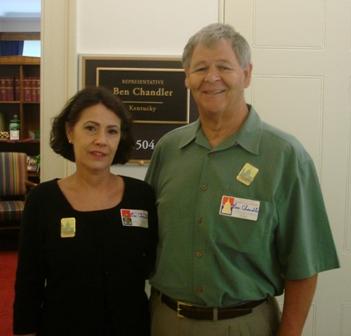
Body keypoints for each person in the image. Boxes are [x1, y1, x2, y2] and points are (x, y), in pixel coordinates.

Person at [145, 23, 339, 336]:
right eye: (200, 68)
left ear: (246, 74)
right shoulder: (168, 149)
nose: (211, 78)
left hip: (245, 325)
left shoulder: (286, 156)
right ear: (187, 77)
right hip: (166, 322)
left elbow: (304, 264)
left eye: (224, 67)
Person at [13, 86, 158, 336]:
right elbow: (29, 281)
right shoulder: (42, 200)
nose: (101, 140)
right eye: (90, 128)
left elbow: (154, 265)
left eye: (112, 131)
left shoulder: (141, 196)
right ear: (70, 132)